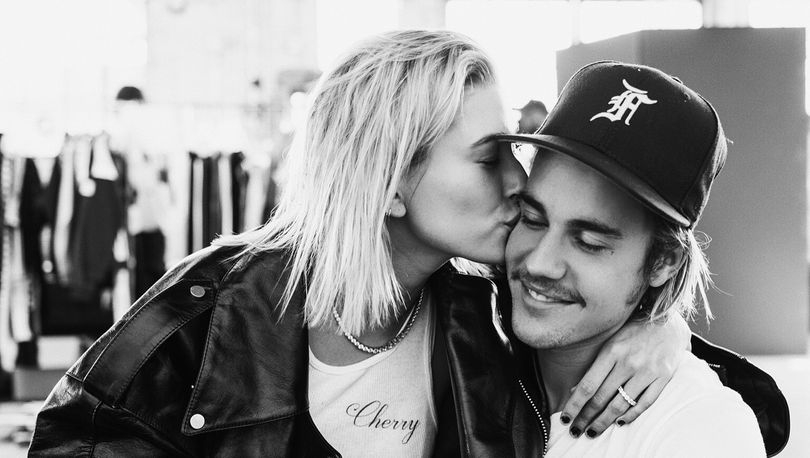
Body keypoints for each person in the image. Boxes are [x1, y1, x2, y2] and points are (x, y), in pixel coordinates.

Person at [29, 32, 779, 457]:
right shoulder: (214, 310)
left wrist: (663, 328)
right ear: (390, 184)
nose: (516, 184)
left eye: (513, 154)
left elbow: (731, 411)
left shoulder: (479, 312)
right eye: (489, 158)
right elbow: (80, 435)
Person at [496, 61, 784, 456]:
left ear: (663, 261)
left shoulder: (699, 426)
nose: (539, 263)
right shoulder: (462, 341)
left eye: (589, 242)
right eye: (532, 219)